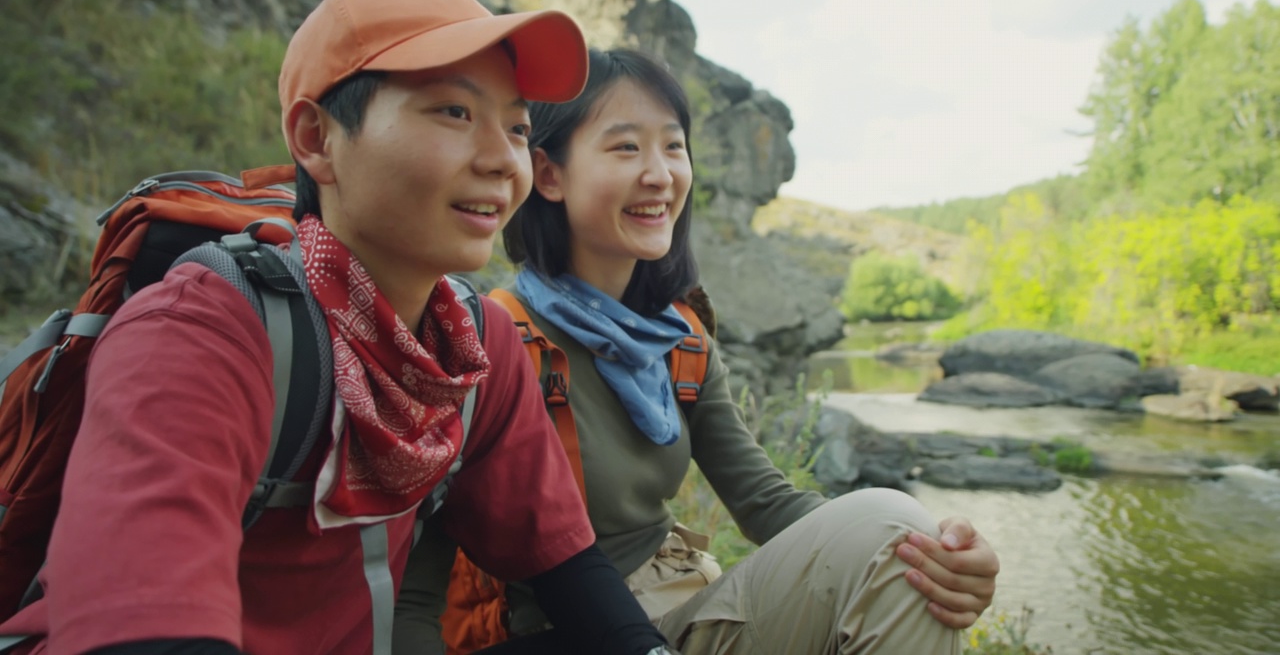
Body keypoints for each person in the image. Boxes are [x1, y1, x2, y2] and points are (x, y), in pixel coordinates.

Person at [0, 0, 682, 655]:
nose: (502, 161)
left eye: (516, 128)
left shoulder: (473, 347)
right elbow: (140, 636)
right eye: (453, 112)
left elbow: (562, 563)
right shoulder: (201, 333)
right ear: (316, 138)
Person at [395, 48, 1001, 654]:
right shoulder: (492, 340)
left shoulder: (681, 338)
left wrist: (931, 551)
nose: (660, 174)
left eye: (674, 147)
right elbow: (416, 580)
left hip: (684, 604)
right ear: (548, 174)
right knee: (888, 523)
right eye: (626, 147)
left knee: (903, 544)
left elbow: (765, 501)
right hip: (573, 635)